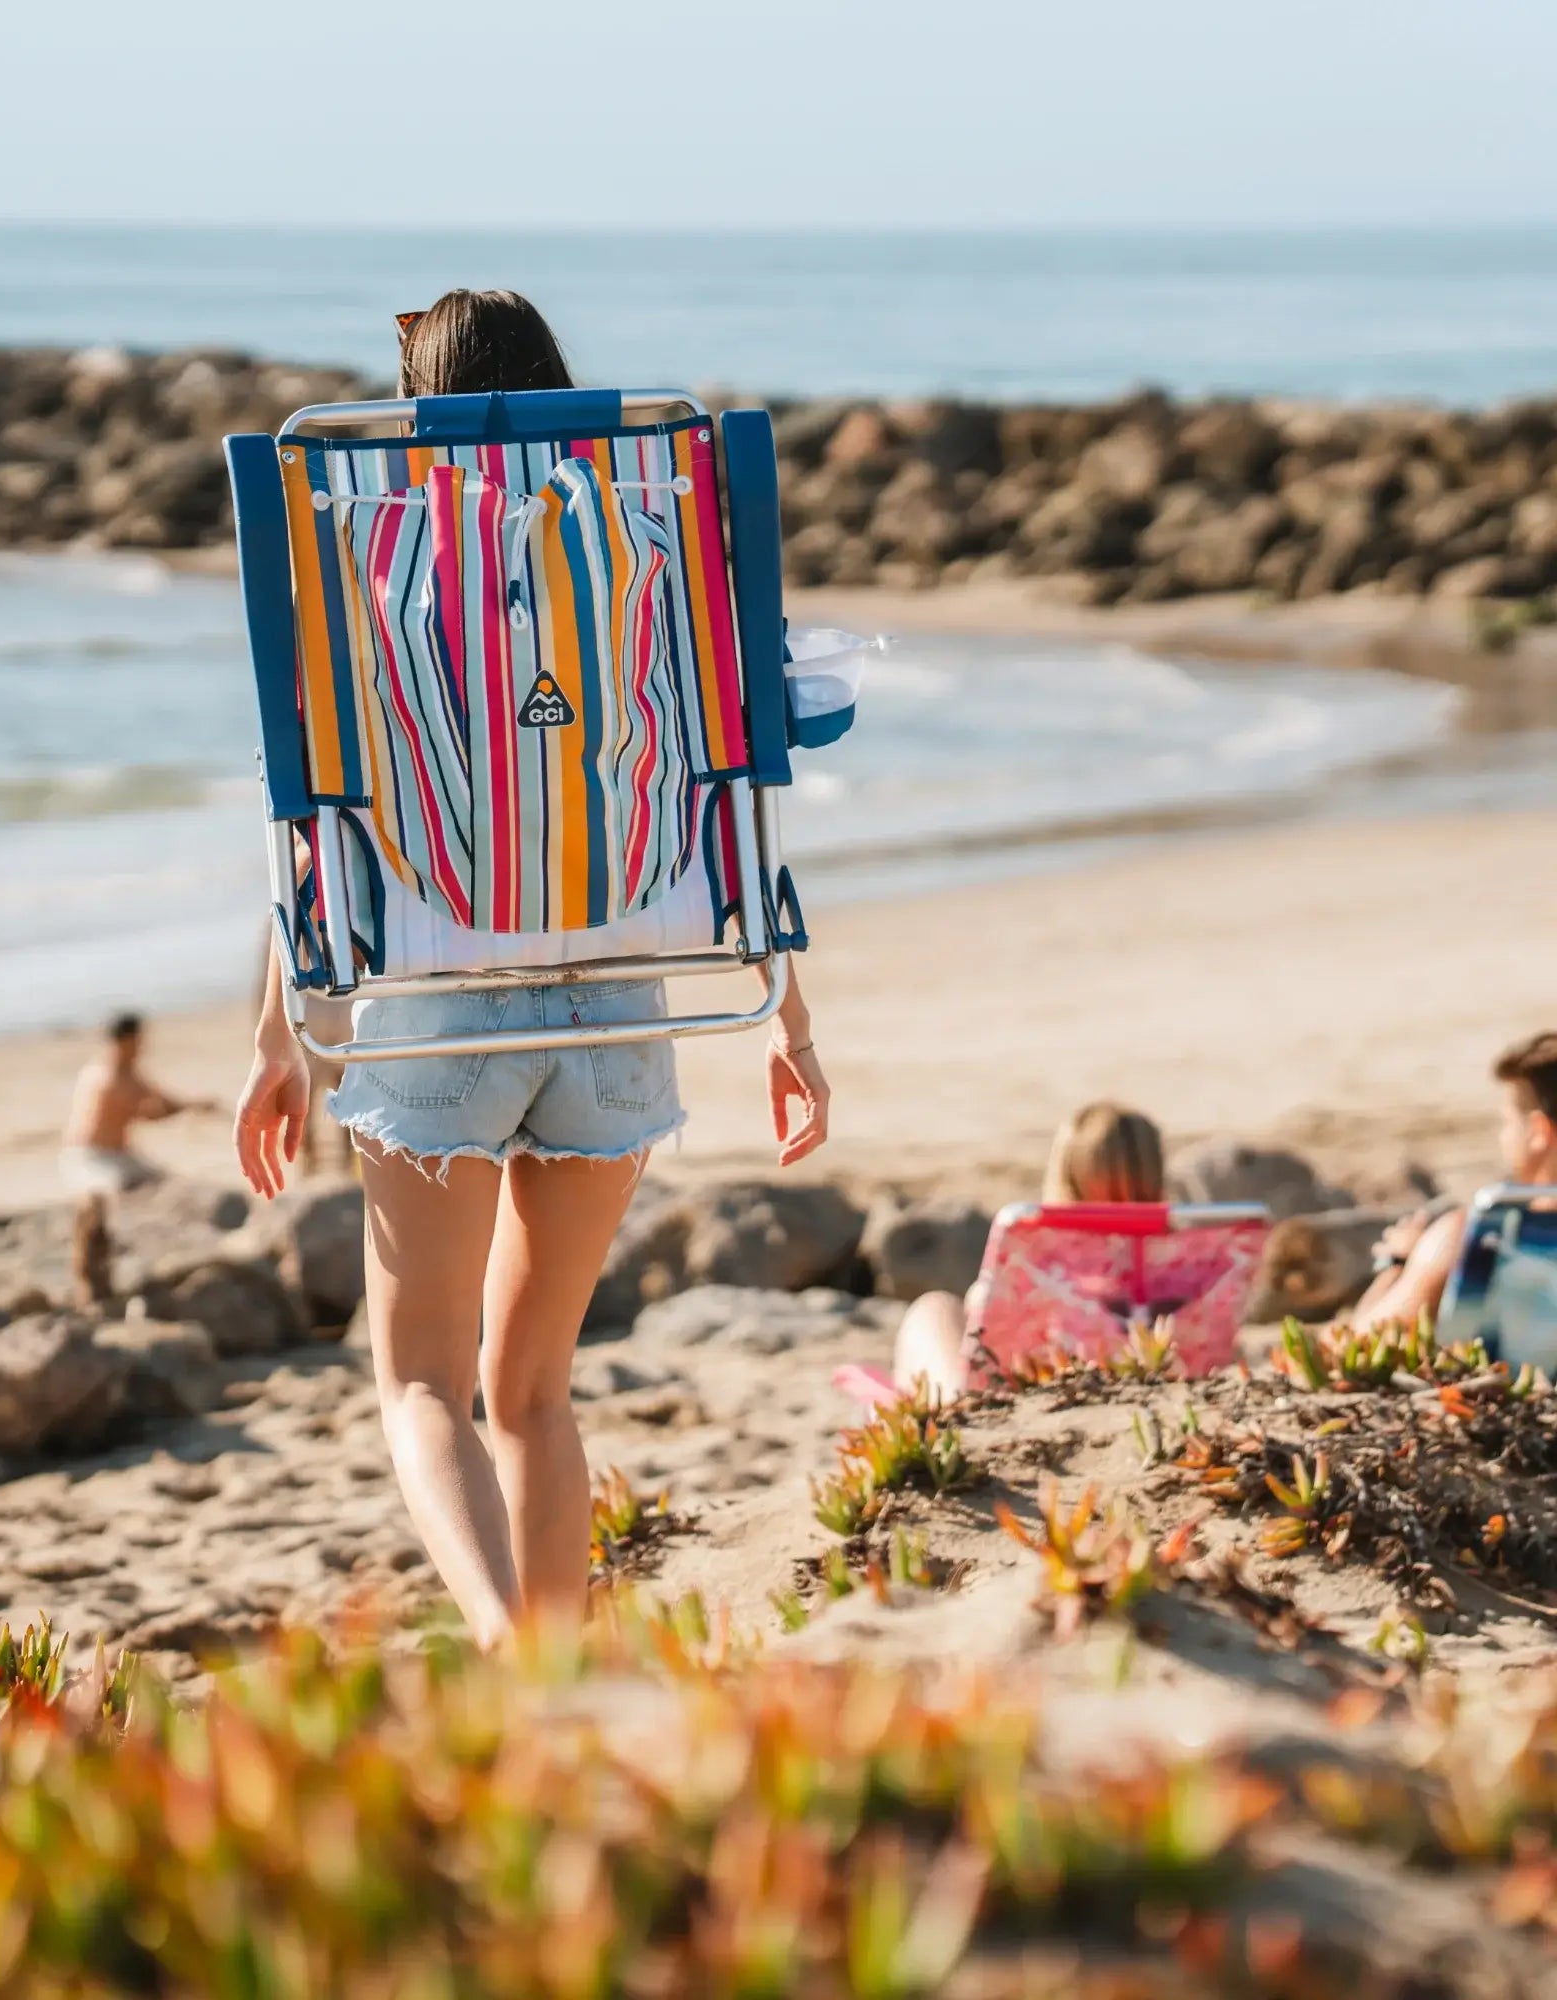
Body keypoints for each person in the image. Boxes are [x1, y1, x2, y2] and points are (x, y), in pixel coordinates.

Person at [233, 290, 831, 1649]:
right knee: (535, 1389)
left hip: (438, 1010)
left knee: (423, 1387)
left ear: (412, 408)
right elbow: (729, 793)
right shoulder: (642, 555)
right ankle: (558, 1669)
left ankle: (513, 1649)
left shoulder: (371, 559)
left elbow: (309, 820)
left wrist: (278, 1036)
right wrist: (789, 1017)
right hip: (620, 988)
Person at [891, 1102, 1166, 1395]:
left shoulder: (1038, 1257)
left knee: (934, 1309)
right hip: (1153, 1371)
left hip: (1025, 1389)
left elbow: (986, 1332)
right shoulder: (1190, 1257)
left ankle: (952, 1400)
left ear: (1063, 1177)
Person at [1351, 1031, 1557, 1332]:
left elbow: (1354, 1345)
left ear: (1538, 1131)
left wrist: (1398, 1266)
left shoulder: (1474, 1237)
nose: (1503, 1137)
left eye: (1506, 1122)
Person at [61, 1012, 220, 1306]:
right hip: (91, 1158)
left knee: (171, 1186)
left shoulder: (129, 1071)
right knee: (98, 1199)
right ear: (124, 1040)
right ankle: (87, 1272)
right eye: (138, 1041)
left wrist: (196, 1105)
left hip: (123, 1156)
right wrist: (188, 1108)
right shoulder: (106, 1076)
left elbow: (160, 1097)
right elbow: (151, 1111)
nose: (142, 1047)